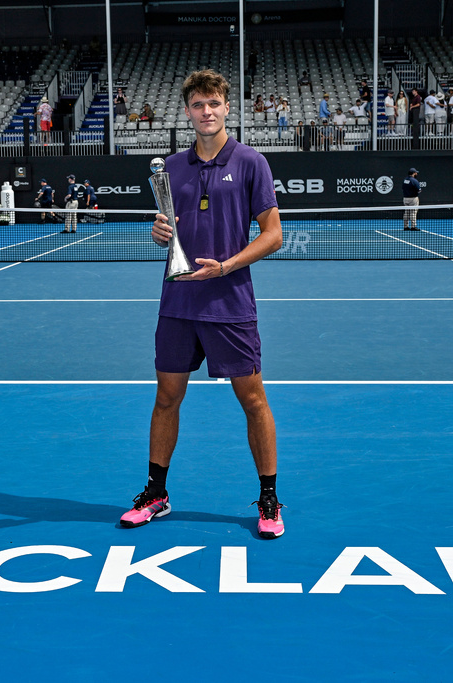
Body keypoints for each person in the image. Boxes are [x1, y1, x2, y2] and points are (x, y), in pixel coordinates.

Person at [121, 68, 285, 540]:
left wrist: (227, 266)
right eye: (198, 105)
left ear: (227, 107)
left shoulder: (252, 162)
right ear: (188, 110)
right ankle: (156, 493)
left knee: (252, 400)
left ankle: (269, 498)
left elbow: (273, 236)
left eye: (214, 103)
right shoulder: (170, 168)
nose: (206, 112)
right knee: (167, 397)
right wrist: (159, 235)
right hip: (176, 301)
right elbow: (169, 230)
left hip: (230, 302)